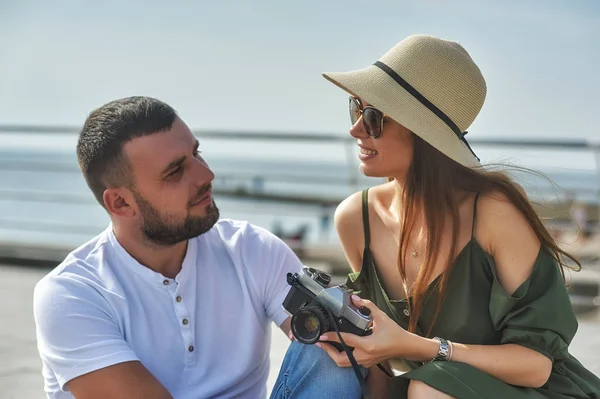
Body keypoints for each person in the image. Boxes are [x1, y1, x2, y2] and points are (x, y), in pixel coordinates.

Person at [274, 34, 600, 398]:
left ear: (424, 133)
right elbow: (377, 359)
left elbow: (536, 366)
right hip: (426, 391)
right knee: (325, 350)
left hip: (533, 392)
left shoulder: (493, 212)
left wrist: (422, 348)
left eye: (374, 117)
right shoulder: (357, 218)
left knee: (429, 385)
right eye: (355, 108)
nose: (355, 129)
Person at [32, 96, 360, 399]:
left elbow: (347, 352)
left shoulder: (251, 249)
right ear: (120, 202)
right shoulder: (72, 293)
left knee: (333, 342)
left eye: (197, 154)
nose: (206, 174)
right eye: (175, 171)